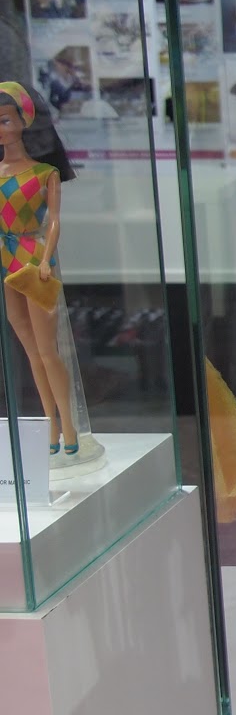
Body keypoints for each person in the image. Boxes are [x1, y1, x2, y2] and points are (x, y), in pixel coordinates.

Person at [0, 82, 100, 471]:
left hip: (33, 259)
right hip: (6, 261)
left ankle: (70, 430)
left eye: (5, 120)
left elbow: (53, 220)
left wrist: (45, 259)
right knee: (31, 352)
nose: (1, 129)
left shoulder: (44, 173)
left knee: (47, 350)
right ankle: (51, 429)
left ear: (24, 122)